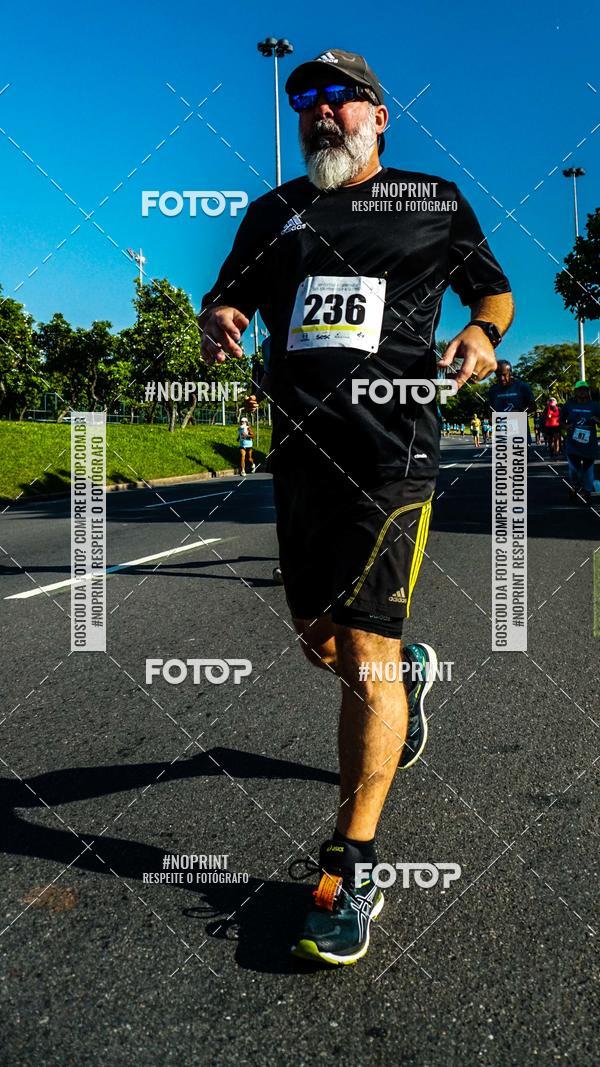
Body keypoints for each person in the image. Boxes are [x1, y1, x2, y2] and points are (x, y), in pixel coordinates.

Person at [199, 46, 514, 966]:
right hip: (301, 457)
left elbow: (493, 291)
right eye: (307, 97)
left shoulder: (432, 201)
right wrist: (218, 315)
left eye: (342, 97)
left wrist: (482, 332)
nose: (320, 109)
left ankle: (351, 865)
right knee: (319, 639)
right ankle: (407, 675)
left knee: (364, 651)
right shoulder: (273, 213)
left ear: (380, 116)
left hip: (392, 455)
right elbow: (228, 297)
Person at [560, 381, 600, 503]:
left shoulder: (594, 406)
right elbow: (560, 420)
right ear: (575, 391)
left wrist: (597, 420)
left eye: (584, 390)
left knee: (588, 469)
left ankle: (587, 491)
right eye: (580, 390)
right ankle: (575, 486)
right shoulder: (569, 405)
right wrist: (566, 426)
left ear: (588, 391)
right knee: (574, 469)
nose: (582, 392)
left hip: (589, 444)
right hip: (573, 443)